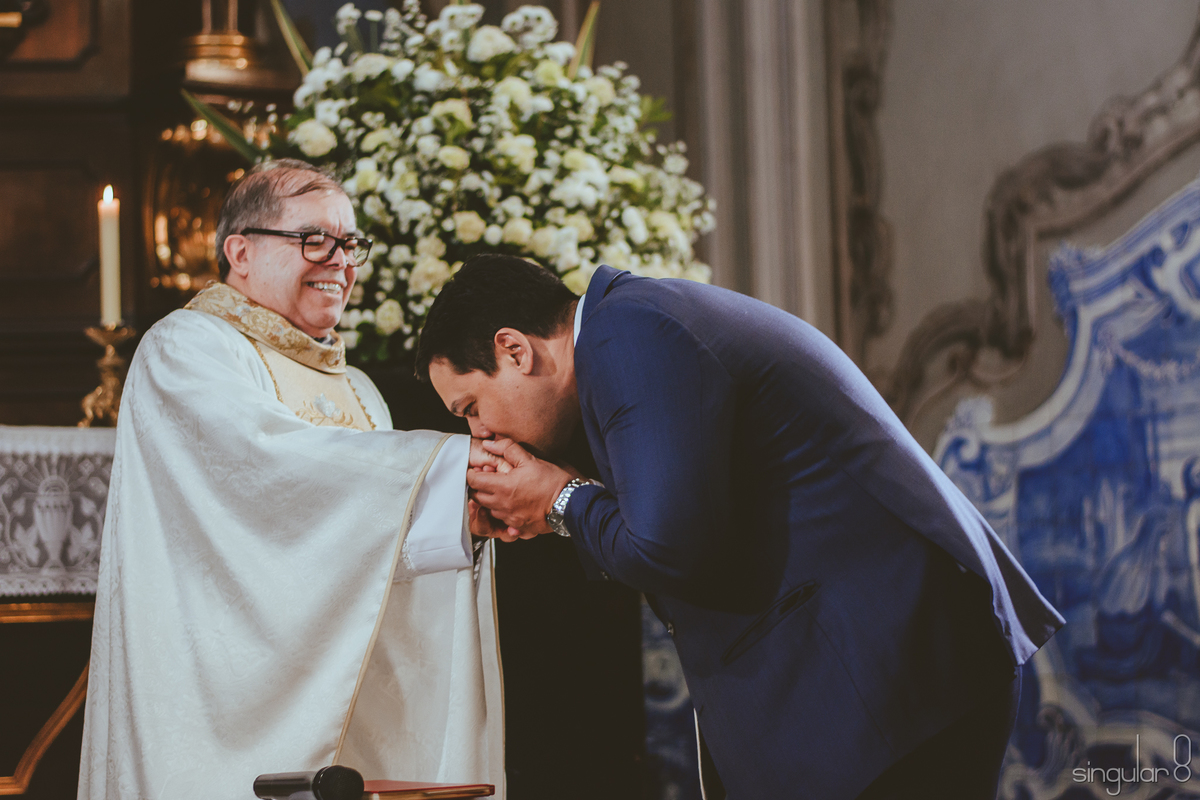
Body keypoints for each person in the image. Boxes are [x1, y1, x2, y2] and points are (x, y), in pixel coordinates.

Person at [414, 254, 1066, 800]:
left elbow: (670, 547)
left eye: (471, 408)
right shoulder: (629, 330)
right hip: (876, 686)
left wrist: (559, 498)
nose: (480, 433)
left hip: (887, 681)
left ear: (515, 350)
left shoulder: (626, 333)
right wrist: (547, 507)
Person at [78, 160, 505, 800]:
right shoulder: (188, 348)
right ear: (240, 252)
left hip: (347, 691)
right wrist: (448, 470)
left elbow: (366, 539)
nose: (339, 260)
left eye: (350, 244)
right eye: (313, 239)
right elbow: (263, 477)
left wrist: (458, 514)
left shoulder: (356, 387)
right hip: (215, 691)